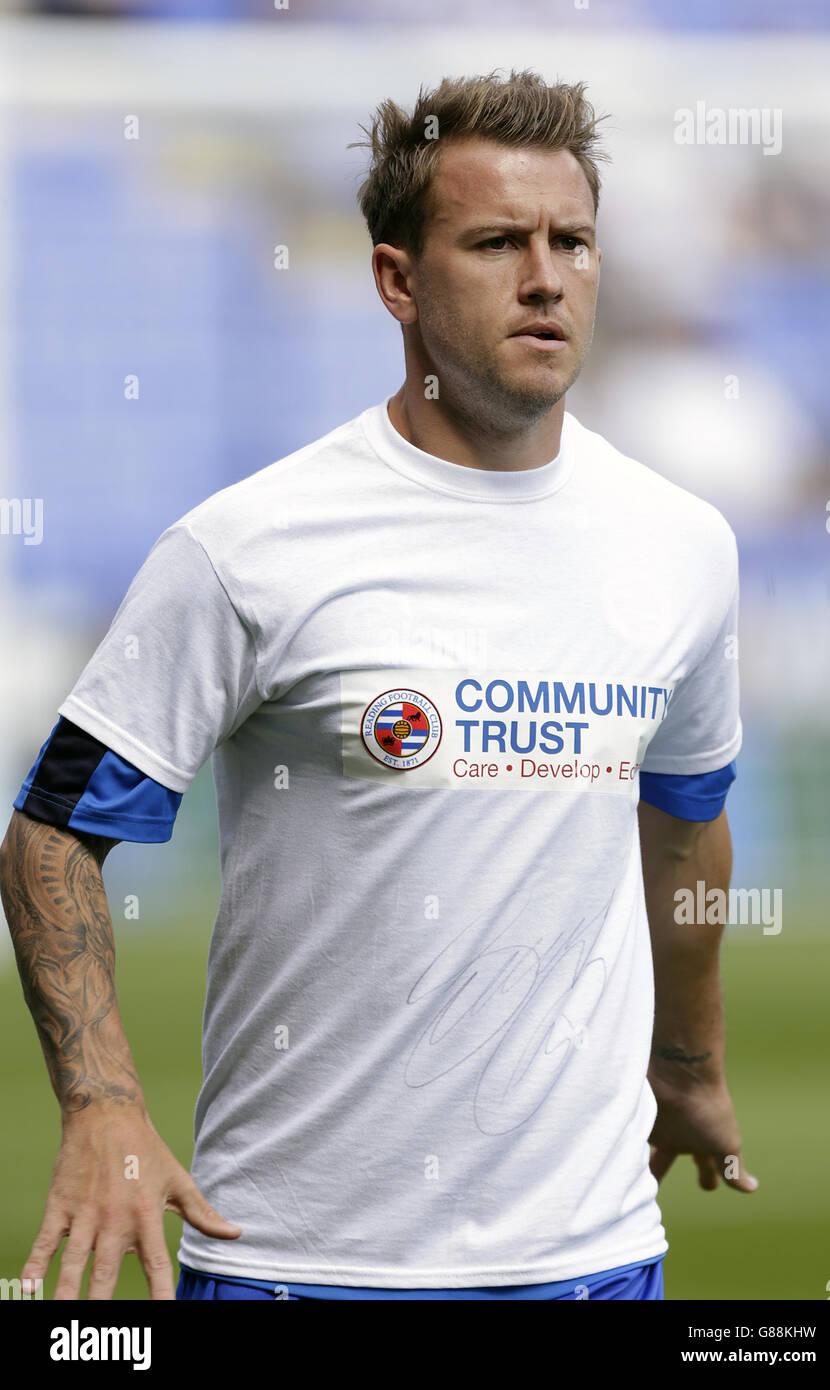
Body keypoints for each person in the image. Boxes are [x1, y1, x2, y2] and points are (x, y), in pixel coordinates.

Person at [0, 68, 757, 1303]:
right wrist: (104, 1108)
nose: (545, 277)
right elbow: (50, 837)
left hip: (593, 1261)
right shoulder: (248, 547)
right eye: (497, 243)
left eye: (571, 241)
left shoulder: (682, 545)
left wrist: (688, 1064)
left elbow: (682, 819)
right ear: (396, 280)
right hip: (297, 1263)